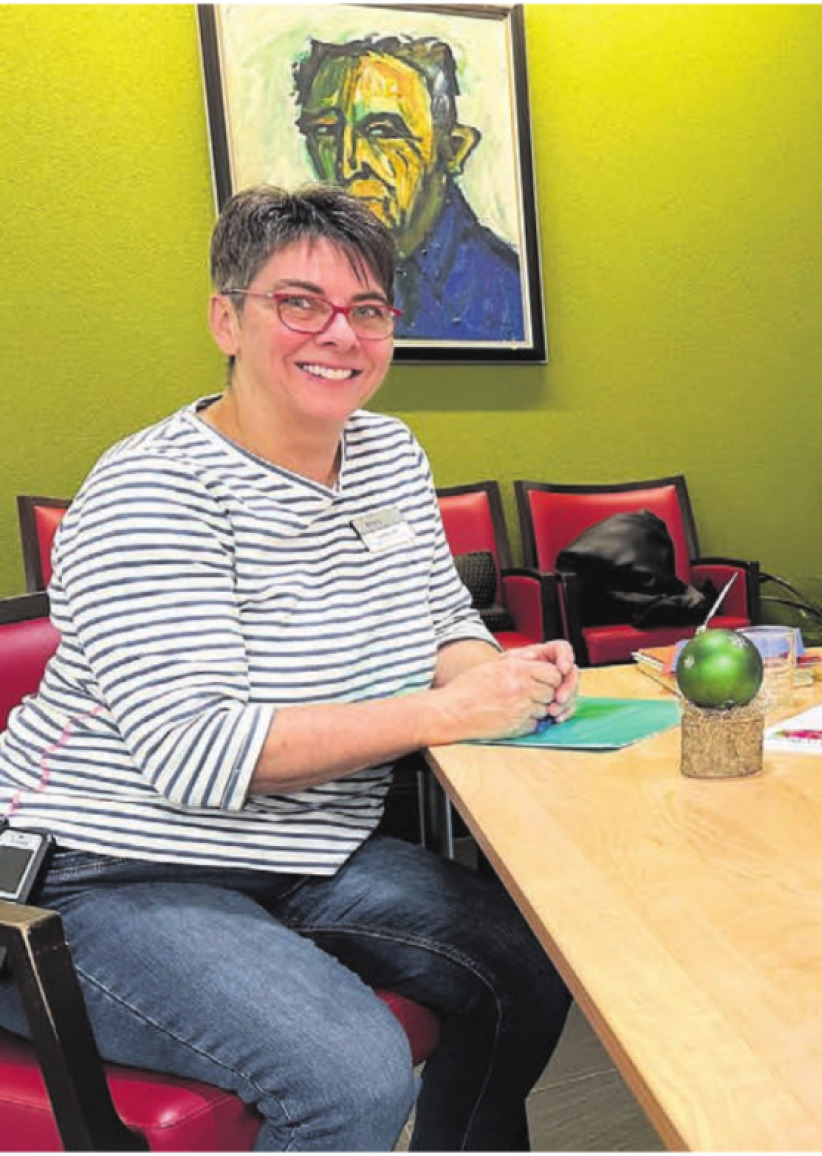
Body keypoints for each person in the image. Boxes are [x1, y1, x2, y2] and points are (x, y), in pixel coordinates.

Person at [0, 186, 575, 1149]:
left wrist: (503, 681)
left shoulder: (386, 453)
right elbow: (201, 754)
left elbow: (442, 620)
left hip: (301, 847)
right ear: (227, 317)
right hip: (98, 875)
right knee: (348, 1076)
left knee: (526, 965)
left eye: (369, 311)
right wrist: (451, 712)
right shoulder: (153, 491)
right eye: (298, 303)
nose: (338, 335)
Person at [294, 35, 525, 342]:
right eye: (325, 130)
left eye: (383, 132)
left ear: (453, 149)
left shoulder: (505, 296)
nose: (347, 163)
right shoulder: (297, 283)